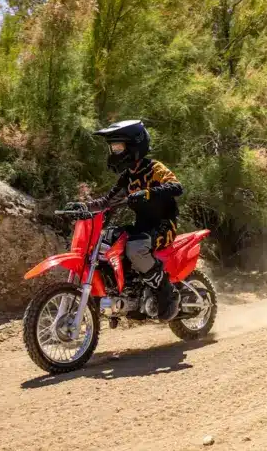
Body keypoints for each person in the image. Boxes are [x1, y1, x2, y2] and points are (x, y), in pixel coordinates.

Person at [67, 120, 184, 321]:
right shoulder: (127, 177)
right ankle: (126, 291)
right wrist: (84, 207)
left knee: (135, 248)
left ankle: (166, 291)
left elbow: (176, 187)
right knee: (108, 241)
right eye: (112, 148)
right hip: (142, 228)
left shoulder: (154, 168)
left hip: (164, 226)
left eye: (118, 147)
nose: (114, 152)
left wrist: (148, 193)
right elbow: (106, 201)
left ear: (134, 145)